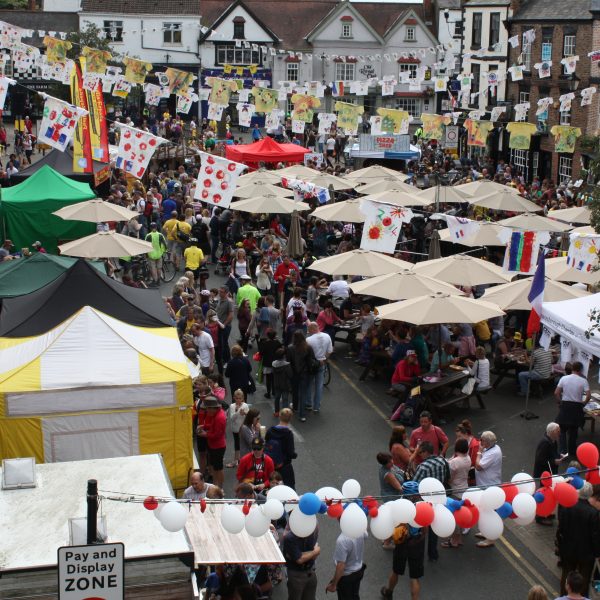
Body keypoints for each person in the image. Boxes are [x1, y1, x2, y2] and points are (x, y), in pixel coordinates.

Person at [557, 483, 600, 596]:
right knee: (584, 579)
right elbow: (595, 536)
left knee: (566, 574)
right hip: (586, 553)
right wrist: (597, 553)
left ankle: (563, 596)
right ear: (590, 494)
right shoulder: (593, 513)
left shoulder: (567, 507)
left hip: (569, 549)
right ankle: (581, 597)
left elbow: (561, 528)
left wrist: (561, 546)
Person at [412, 441, 450, 561]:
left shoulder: (423, 467)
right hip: (439, 497)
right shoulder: (442, 461)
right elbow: (447, 476)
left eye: (420, 453)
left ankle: (418, 553)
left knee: (421, 525)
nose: (419, 455)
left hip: (425, 500)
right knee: (434, 526)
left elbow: (415, 484)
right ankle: (433, 554)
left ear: (426, 452)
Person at [380, 513, 426, 600]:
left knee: (396, 571)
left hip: (402, 541)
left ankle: (388, 592)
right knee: (414, 577)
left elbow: (395, 525)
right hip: (417, 543)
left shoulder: (403, 506)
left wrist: (387, 541)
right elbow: (425, 530)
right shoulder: (423, 508)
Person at [533, 422, 568, 525]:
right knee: (544, 494)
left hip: (550, 472)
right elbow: (540, 459)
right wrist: (554, 461)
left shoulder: (552, 440)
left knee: (549, 493)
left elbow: (552, 453)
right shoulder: (545, 443)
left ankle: (547, 512)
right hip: (545, 474)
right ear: (552, 432)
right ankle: (540, 516)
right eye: (558, 431)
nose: (560, 433)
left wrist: (558, 455)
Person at [555, 361, 591, 456]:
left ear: (572, 369)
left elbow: (556, 393)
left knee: (562, 430)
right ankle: (572, 450)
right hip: (576, 407)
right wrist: (583, 404)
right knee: (574, 430)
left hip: (566, 405)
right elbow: (588, 396)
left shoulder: (564, 378)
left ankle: (563, 451)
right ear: (581, 370)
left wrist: (560, 402)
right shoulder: (583, 381)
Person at [474, 431, 502, 548]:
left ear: (487, 442)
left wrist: (479, 453)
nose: (480, 442)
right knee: (485, 511)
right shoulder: (492, 448)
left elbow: (479, 466)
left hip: (489, 486)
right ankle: (486, 532)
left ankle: (490, 538)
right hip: (486, 484)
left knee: (489, 513)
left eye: (481, 440)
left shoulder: (492, 453)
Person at [441, 438, 471, 548]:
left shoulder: (454, 462)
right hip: (464, 489)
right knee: (461, 514)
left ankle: (455, 540)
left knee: (454, 517)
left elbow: (450, 479)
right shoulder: (468, 458)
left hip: (455, 491)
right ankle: (459, 538)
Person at [325, 531, 367, 599]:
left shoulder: (342, 540)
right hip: (359, 570)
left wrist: (333, 585)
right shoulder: (360, 529)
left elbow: (341, 566)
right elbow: (366, 536)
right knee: (355, 595)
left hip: (347, 577)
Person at [283, 523, 320, 600]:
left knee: (310, 597)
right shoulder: (289, 538)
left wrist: (305, 555)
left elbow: (314, 556)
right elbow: (299, 559)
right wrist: (313, 552)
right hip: (296, 574)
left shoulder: (311, 532)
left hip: (310, 571)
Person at [197, 396, 226, 489]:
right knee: (215, 467)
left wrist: (205, 434)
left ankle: (220, 488)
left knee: (218, 469)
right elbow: (212, 426)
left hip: (218, 447)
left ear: (212, 408)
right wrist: (204, 426)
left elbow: (216, 435)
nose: (207, 411)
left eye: (208, 409)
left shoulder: (219, 417)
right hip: (214, 446)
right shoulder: (216, 414)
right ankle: (215, 485)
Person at [265, 408, 297, 489]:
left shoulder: (271, 430)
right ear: (290, 418)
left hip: (271, 464)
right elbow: (290, 453)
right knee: (289, 488)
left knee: (272, 487)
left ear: (279, 416)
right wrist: (295, 455)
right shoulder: (288, 434)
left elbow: (266, 444)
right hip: (284, 466)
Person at [287, 330, 315, 422]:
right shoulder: (308, 347)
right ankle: (302, 415)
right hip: (305, 373)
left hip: (294, 374)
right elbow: (312, 360)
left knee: (295, 391)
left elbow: (288, 362)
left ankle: (295, 407)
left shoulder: (290, 348)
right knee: (303, 394)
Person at [306, 321, 333, 414]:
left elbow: (306, 354)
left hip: (312, 365)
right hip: (322, 363)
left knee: (309, 384)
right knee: (319, 386)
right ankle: (316, 407)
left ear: (313, 329)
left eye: (309, 330)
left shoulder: (308, 340)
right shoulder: (327, 336)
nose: (308, 331)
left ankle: (308, 404)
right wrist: (324, 360)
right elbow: (330, 351)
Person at [226, 389, 249, 468]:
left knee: (244, 444)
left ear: (243, 398)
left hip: (243, 428)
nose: (238, 400)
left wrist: (245, 413)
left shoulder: (245, 405)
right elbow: (232, 418)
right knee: (237, 444)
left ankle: (243, 460)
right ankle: (236, 460)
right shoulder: (232, 406)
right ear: (234, 398)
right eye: (237, 398)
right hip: (235, 429)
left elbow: (249, 417)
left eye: (240, 398)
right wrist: (238, 412)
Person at [272, 347, 293, 415]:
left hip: (277, 384)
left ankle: (276, 411)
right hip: (285, 384)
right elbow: (290, 375)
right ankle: (284, 413)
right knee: (285, 399)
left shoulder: (273, 364)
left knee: (277, 398)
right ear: (284, 356)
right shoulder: (287, 365)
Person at [216, 286, 235, 364]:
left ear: (227, 293)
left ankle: (227, 360)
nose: (220, 293)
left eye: (222, 292)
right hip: (219, 324)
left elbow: (231, 315)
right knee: (220, 343)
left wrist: (224, 324)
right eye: (219, 291)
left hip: (225, 326)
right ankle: (222, 358)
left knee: (224, 343)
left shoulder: (229, 302)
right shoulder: (220, 299)